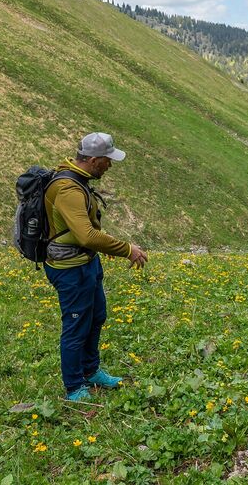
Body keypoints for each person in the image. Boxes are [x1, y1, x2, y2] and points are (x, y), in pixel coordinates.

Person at [43, 132, 149, 402]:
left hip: (86, 262)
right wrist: (127, 250)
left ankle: (91, 371)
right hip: (69, 268)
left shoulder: (79, 179)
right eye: (106, 160)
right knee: (76, 325)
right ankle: (75, 387)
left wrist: (101, 248)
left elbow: (86, 234)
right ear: (92, 160)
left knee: (96, 316)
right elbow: (86, 235)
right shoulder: (67, 188)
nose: (110, 165)